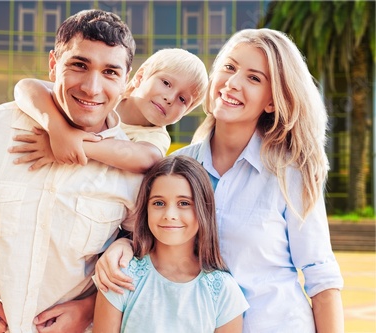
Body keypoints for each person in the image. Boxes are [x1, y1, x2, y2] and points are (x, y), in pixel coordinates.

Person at [93, 28, 344, 333]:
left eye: (254, 78)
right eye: (229, 67)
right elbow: (148, 244)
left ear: (271, 101)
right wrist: (123, 244)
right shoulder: (174, 168)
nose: (233, 83)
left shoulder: (290, 173)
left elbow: (322, 277)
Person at [0, 9, 141, 333]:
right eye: (79, 65)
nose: (92, 87)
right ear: (52, 64)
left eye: (111, 72)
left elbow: (145, 253)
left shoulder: (135, 171)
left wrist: (90, 309)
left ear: (126, 82)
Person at [92, 155, 249, 333]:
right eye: (159, 203)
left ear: (203, 209)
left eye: (184, 203)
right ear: (146, 209)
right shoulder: (122, 276)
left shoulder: (223, 290)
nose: (170, 214)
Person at [10, 48, 208, 173]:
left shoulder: (156, 136)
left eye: (183, 99)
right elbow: (26, 87)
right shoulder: (104, 95)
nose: (169, 98)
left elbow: (148, 158)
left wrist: (72, 145)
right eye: (166, 83)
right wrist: (58, 131)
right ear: (140, 77)